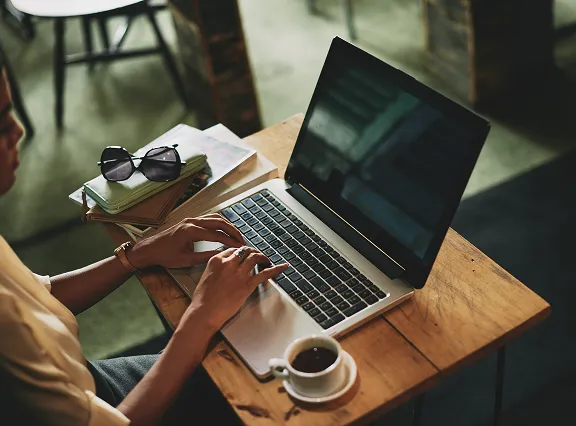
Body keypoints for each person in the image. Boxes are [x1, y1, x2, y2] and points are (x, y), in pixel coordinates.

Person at [0, 61, 288, 426]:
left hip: (84, 383)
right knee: (266, 387)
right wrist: (201, 315)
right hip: (104, 409)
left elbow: (41, 298)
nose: (19, 130)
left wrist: (138, 254)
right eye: (1, 122)